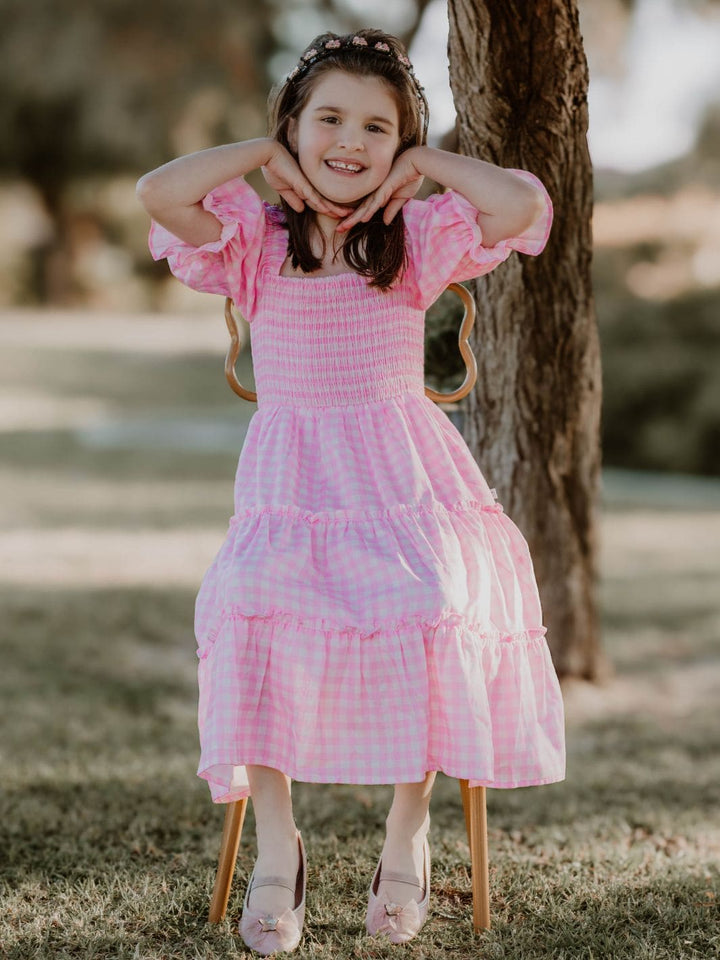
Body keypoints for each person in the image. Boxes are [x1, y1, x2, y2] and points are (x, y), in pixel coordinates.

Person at [137, 27, 565, 955]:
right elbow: (156, 194)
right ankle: (280, 849)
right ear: (294, 127)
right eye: (328, 118)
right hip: (294, 487)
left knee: (428, 604)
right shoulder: (255, 235)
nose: (351, 139)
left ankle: (406, 832)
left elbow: (523, 204)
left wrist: (422, 161)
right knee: (250, 604)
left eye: (377, 126)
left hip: (402, 480)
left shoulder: (412, 236)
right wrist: (265, 156)